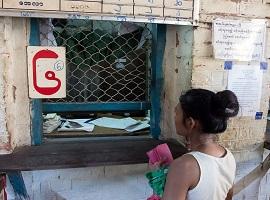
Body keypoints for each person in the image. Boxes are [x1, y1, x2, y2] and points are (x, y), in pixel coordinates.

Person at [162, 89, 239, 200]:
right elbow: (228, 196)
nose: (174, 117)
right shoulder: (228, 156)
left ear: (190, 123)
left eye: (176, 113)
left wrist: (157, 182)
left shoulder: (183, 166)